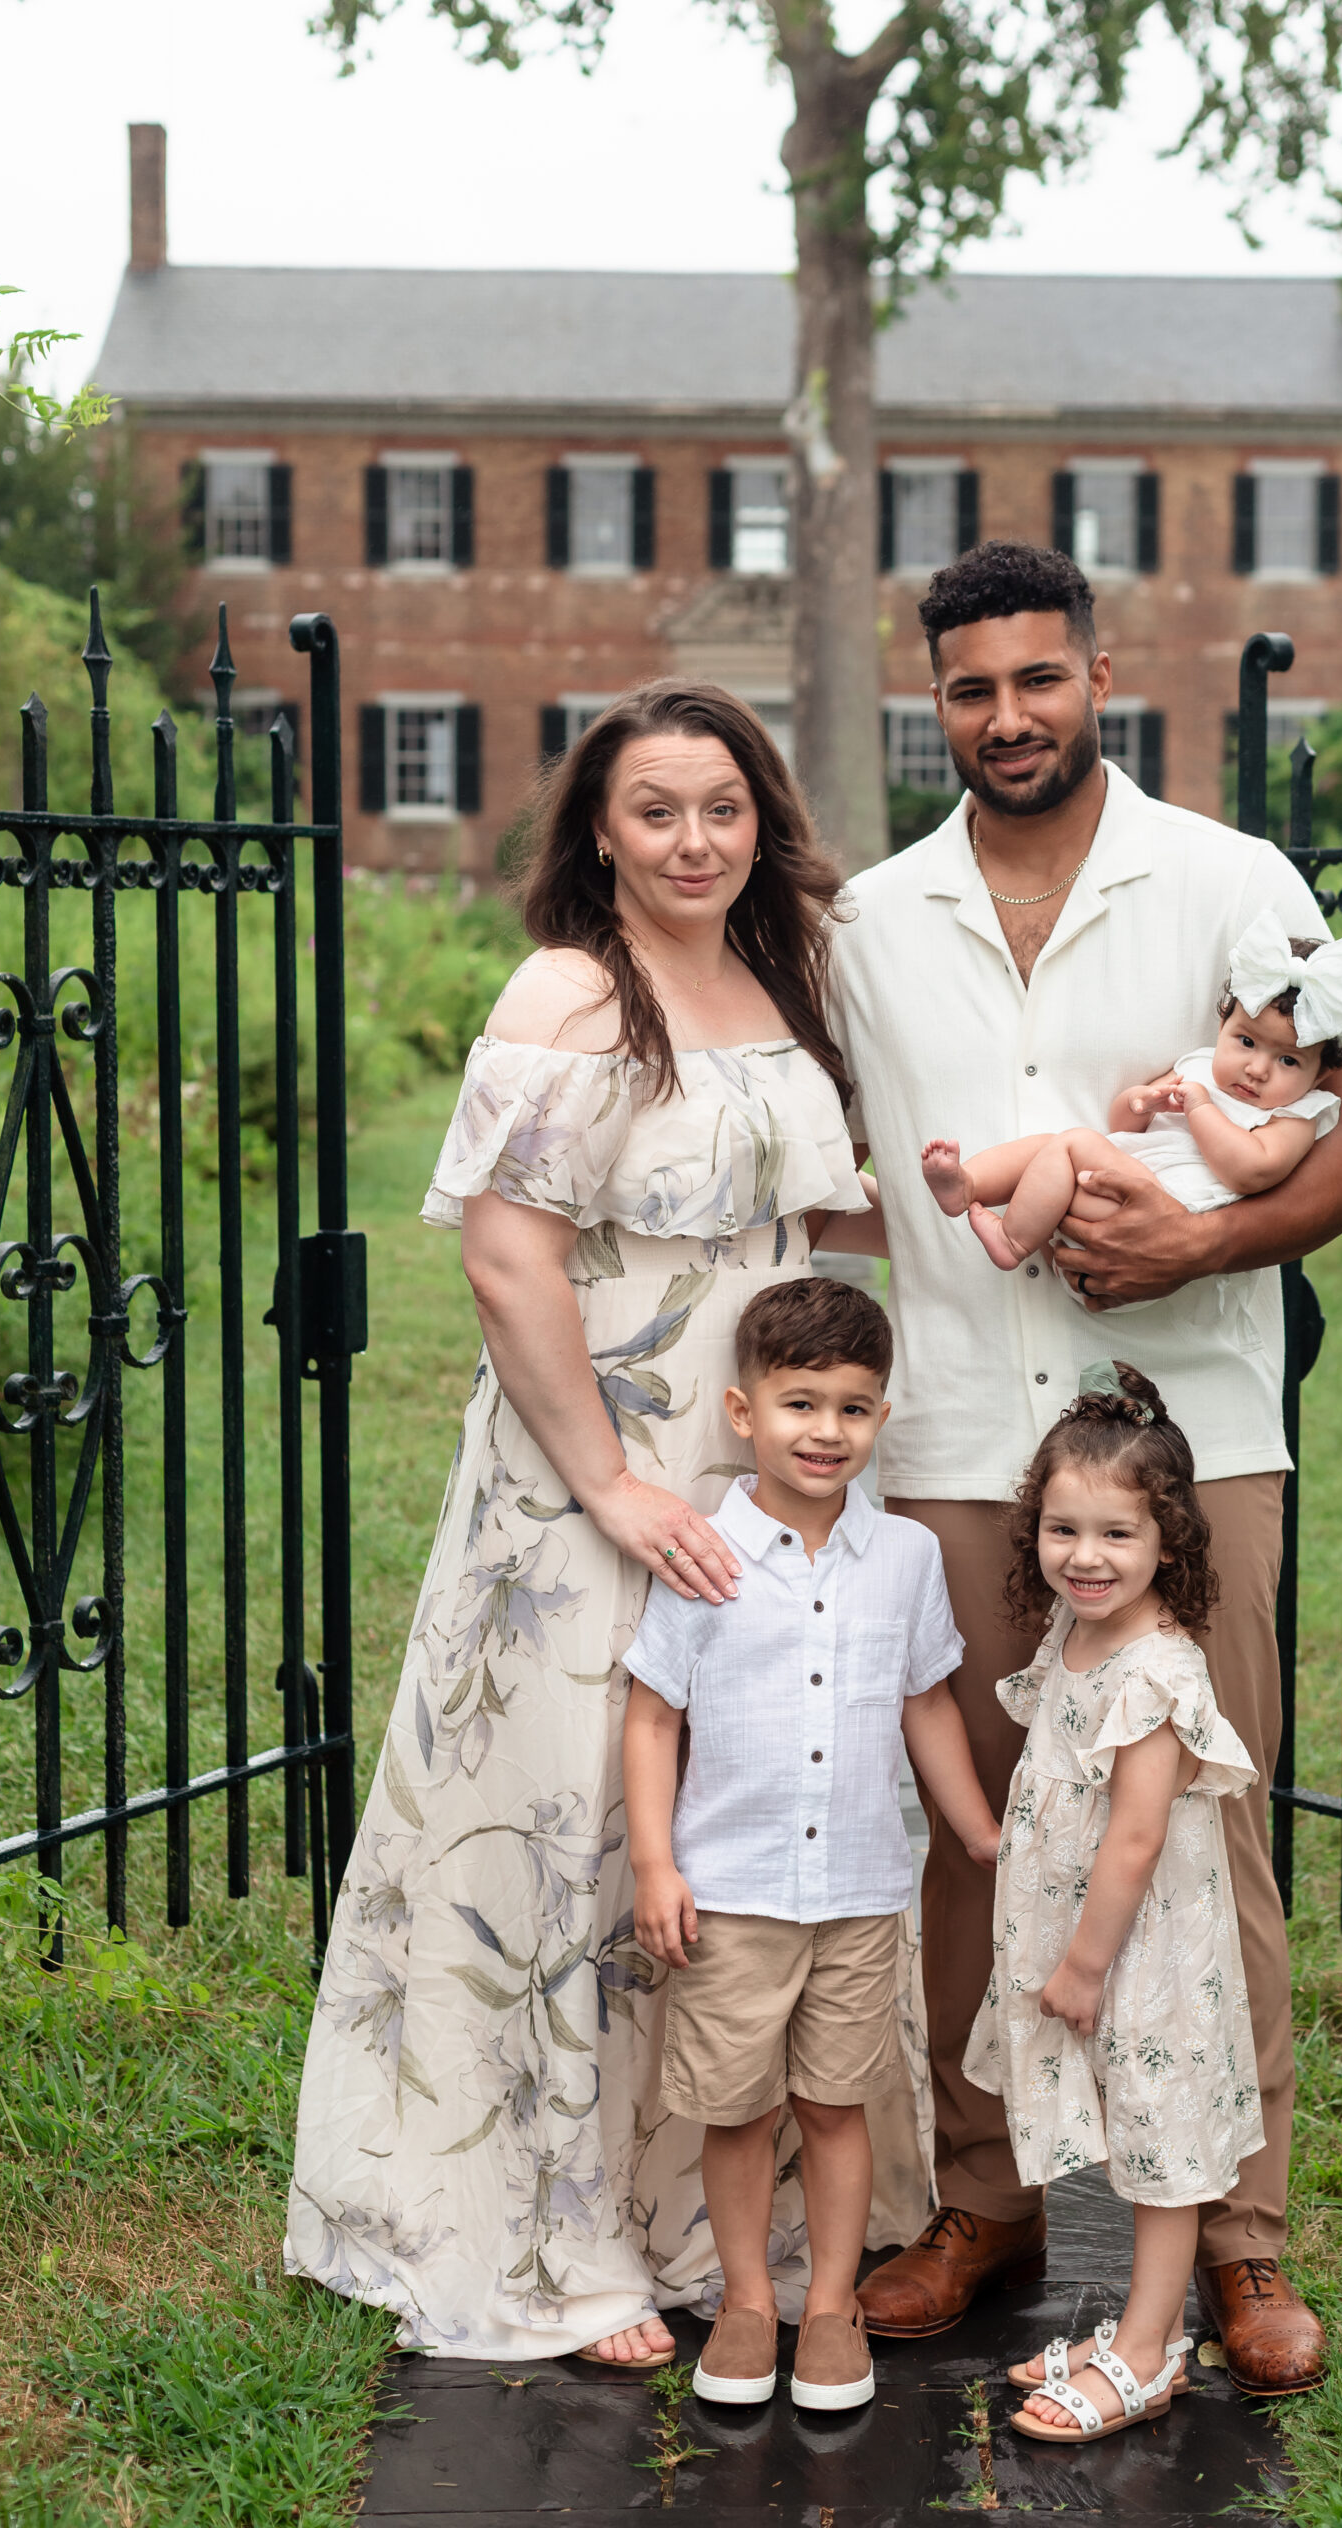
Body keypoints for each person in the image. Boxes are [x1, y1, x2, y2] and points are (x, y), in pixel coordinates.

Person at [285, 681, 909, 2365]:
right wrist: (614, 1488)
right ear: (600, 834)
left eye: (723, 806)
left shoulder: (778, 977)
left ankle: (702, 2210)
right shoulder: (570, 991)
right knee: (573, 1840)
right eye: (657, 811)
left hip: (756, 1468)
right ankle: (561, 2240)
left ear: (761, 819)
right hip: (592, 1481)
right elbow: (506, 1257)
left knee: (729, 1826)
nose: (695, 839)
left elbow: (808, 1198)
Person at [830, 541, 1342, 2394]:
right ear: (941, 704)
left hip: (1192, 1446)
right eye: (972, 691)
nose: (1007, 718)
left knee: (1203, 1836)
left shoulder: (1236, 885)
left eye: (1038, 680)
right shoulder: (871, 918)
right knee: (970, 1844)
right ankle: (983, 2209)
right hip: (955, 1443)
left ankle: (1238, 2245)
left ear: (1098, 673)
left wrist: (1195, 1250)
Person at [622, 1276, 1002, 2410]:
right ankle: (746, 2301)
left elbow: (926, 1701)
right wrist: (655, 1863)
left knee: (838, 2107)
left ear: (881, 1417)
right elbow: (655, 1716)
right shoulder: (704, 1554)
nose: (825, 1431)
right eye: (800, 1404)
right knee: (737, 2108)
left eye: (851, 1407)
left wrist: (976, 1827)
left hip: (857, 1893)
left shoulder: (907, 1559)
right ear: (744, 1412)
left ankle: (830, 2303)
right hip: (731, 1893)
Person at [963, 1372, 1261, 2442]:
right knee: (1133, 2135)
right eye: (1061, 1528)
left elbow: (1136, 1833)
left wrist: (1084, 1962)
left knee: (1160, 2147)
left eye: (1116, 1534)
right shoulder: (1074, 1631)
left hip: (1141, 1948)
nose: (1083, 1555)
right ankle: (1133, 2330)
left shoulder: (1159, 1670)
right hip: (1089, 1932)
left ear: (1167, 1541)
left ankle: (1148, 2350)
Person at [921, 910, 1342, 1272]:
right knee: (1049, 1148)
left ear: (1322, 1073)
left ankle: (1012, 1240)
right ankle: (968, 1184)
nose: (1256, 1069)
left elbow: (1250, 1170)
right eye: (1246, 1041)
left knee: (1074, 1143)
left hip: (1167, 1212)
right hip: (1123, 1181)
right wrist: (1142, 1102)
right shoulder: (1198, 1068)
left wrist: (1200, 1108)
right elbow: (1124, 1126)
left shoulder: (1297, 1116)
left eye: (1288, 1060)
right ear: (1223, 1024)